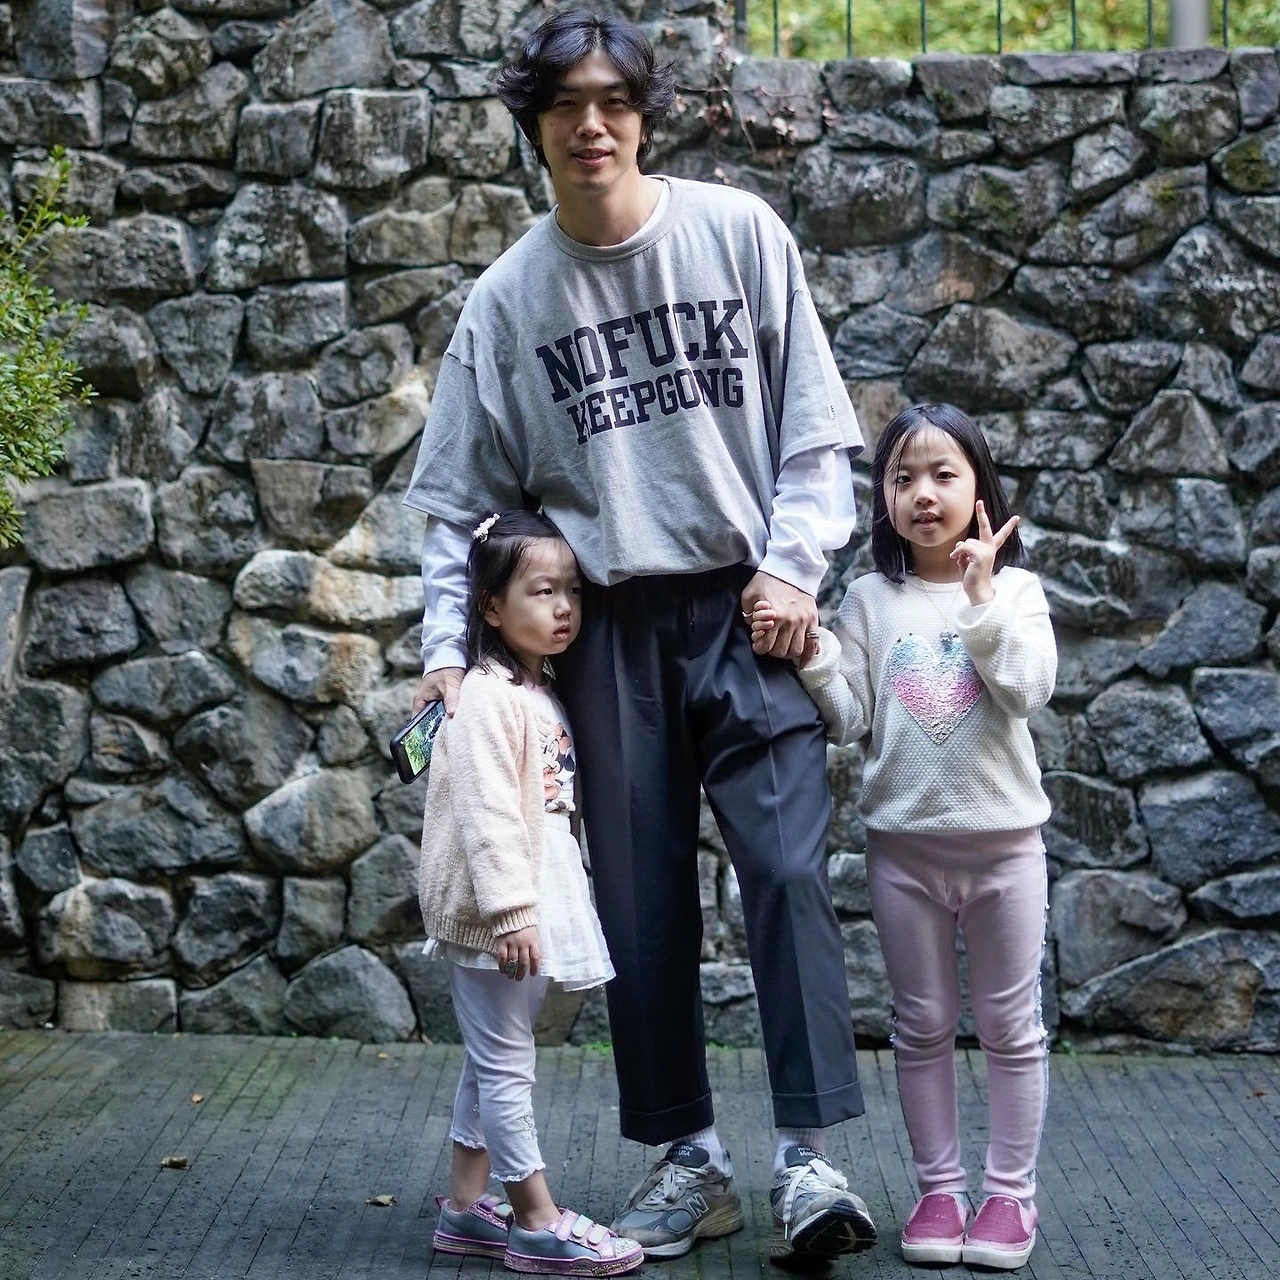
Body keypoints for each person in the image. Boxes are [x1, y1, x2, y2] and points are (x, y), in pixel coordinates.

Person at [403, 6, 877, 1263]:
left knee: (785, 871)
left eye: (613, 100)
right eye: (565, 105)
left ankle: (808, 1161)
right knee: (636, 900)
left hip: (746, 607)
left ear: (643, 117)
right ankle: (690, 1159)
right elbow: (456, 508)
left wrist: (791, 569)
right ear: (534, 127)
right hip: (600, 626)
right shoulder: (505, 301)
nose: (591, 124)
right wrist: (447, 654)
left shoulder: (738, 234)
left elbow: (814, 437)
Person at [753, 403, 1057, 1271]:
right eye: (903, 477)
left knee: (1011, 1027)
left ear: (979, 487)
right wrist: (813, 653)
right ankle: (939, 1191)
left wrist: (980, 600)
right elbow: (849, 717)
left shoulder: (1017, 593)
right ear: (882, 497)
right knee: (921, 1025)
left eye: (943, 474)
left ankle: (1009, 1198)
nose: (924, 493)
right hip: (904, 853)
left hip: (1004, 850)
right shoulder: (870, 598)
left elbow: (1027, 690)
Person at [420, 510, 642, 1277]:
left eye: (571, 591)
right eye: (542, 592)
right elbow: (485, 816)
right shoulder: (485, 697)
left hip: (533, 894)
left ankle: (464, 1207)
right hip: (499, 909)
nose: (564, 607)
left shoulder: (536, 689)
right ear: (490, 606)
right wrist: (511, 913)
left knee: (492, 1059)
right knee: (508, 1064)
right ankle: (537, 1219)